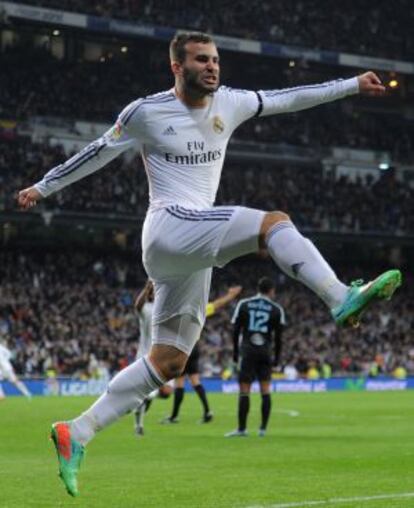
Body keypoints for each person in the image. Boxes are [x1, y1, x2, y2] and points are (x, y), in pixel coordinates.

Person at [17, 31, 401, 497]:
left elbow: (290, 98)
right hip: (167, 227)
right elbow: (97, 151)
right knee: (273, 223)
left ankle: (75, 432)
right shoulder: (146, 112)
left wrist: (352, 86)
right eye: (202, 60)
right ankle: (341, 296)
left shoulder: (231, 103)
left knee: (169, 360)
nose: (213, 67)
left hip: (189, 251)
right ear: (177, 66)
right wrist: (43, 187)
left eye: (216, 59)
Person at [163, 285, 242, 424]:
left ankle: (174, 416)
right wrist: (230, 296)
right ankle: (207, 412)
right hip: (195, 347)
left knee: (179, 382)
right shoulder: (199, 310)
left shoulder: (177, 311)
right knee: (195, 381)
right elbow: (217, 304)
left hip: (183, 347)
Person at [225, 277, 285, 438]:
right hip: (265, 352)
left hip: (248, 351)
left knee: (245, 391)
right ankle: (263, 429)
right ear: (271, 291)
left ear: (258, 289)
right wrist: (277, 360)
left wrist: (236, 355)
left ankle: (242, 429)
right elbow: (279, 338)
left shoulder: (244, 304)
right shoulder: (276, 309)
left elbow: (236, 331)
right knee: (265, 390)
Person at [133, 279, 174, 436]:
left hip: (163, 357)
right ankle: (138, 425)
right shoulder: (146, 309)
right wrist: (146, 287)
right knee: (146, 393)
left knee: (167, 392)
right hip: (145, 356)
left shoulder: (164, 310)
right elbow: (137, 306)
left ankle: (144, 401)